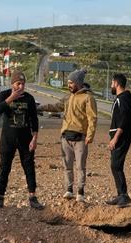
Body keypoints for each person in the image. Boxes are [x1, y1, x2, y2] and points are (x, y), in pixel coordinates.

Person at [39, 69, 97, 201]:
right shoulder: (67, 97)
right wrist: (40, 107)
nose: (69, 85)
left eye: (71, 83)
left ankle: (80, 192)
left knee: (80, 167)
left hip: (80, 138)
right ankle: (69, 189)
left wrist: (90, 136)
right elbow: (56, 106)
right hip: (66, 137)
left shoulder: (88, 98)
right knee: (67, 166)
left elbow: (92, 118)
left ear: (78, 83)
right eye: (68, 82)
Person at [0, 71, 43, 209]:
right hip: (8, 138)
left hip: (25, 139)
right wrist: (11, 98)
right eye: (18, 83)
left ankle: (32, 197)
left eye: (23, 84)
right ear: (12, 84)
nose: (21, 86)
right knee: (4, 166)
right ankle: (0, 196)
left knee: (29, 166)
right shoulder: (4, 95)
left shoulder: (29, 98)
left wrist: (34, 138)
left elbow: (34, 119)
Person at [106, 73, 131, 207]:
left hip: (121, 138)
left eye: (112, 83)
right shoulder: (120, 99)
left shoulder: (123, 99)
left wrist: (115, 138)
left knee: (116, 165)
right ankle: (120, 194)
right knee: (115, 165)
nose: (111, 85)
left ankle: (124, 195)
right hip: (118, 137)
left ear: (116, 83)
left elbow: (124, 120)